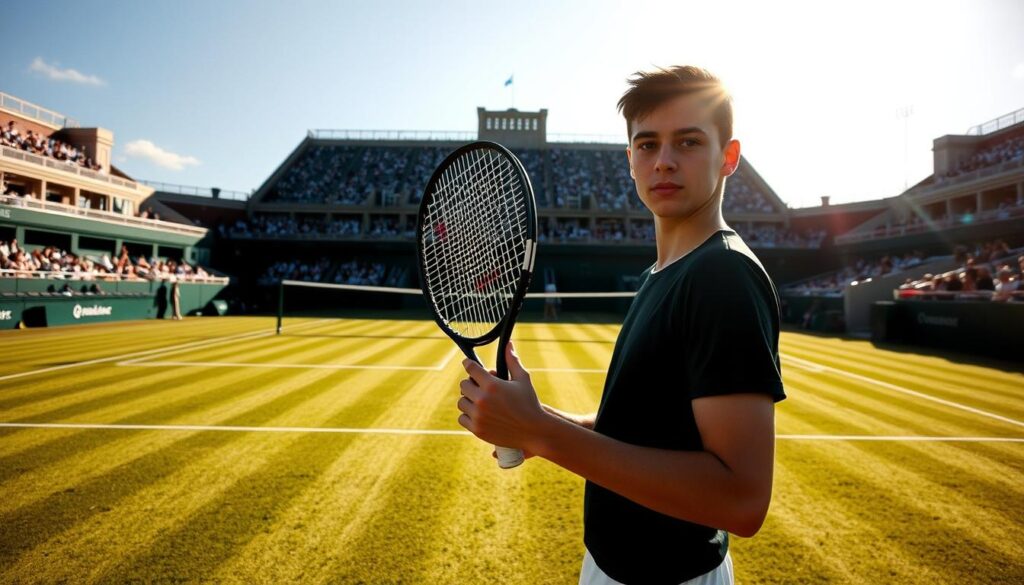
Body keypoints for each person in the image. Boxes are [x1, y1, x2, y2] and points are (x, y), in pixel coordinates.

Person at [456, 66, 785, 585]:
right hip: (616, 564)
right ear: (629, 160)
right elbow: (639, 431)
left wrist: (539, 433)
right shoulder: (665, 272)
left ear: (729, 156)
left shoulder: (722, 275)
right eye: (647, 144)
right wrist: (535, 419)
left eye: (688, 142)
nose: (665, 161)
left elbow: (742, 500)